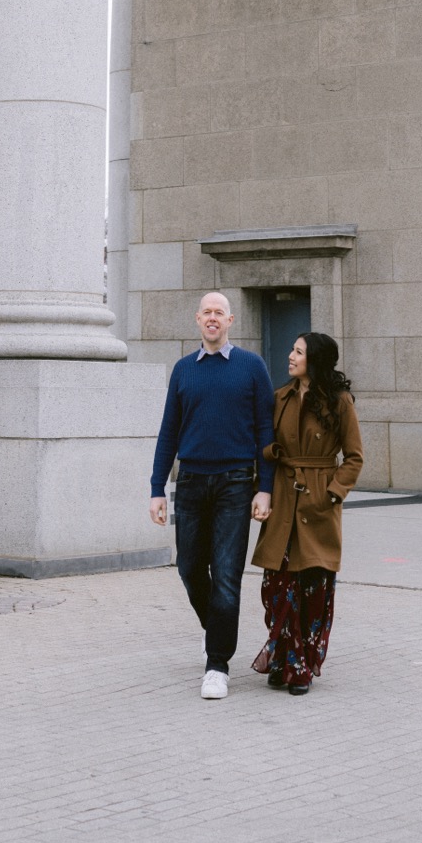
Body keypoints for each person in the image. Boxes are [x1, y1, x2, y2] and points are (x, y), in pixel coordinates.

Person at [149, 292, 275, 700]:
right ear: (197, 320)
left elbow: (265, 434)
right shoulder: (184, 370)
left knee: (225, 574)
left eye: (220, 313)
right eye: (207, 312)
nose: (213, 318)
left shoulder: (252, 367)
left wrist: (265, 487)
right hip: (190, 483)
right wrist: (157, 489)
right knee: (189, 568)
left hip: (236, 483)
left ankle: (217, 664)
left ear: (231, 320)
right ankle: (220, 631)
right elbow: (169, 431)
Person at [250, 330, 363, 694]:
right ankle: (283, 656)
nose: (290, 356)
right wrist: (263, 485)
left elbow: (354, 457)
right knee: (276, 586)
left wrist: (331, 494)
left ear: (314, 359)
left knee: (314, 586)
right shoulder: (280, 397)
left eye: (298, 351)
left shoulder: (340, 402)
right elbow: (265, 443)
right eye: (292, 349)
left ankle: (300, 667)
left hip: (317, 500)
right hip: (284, 497)